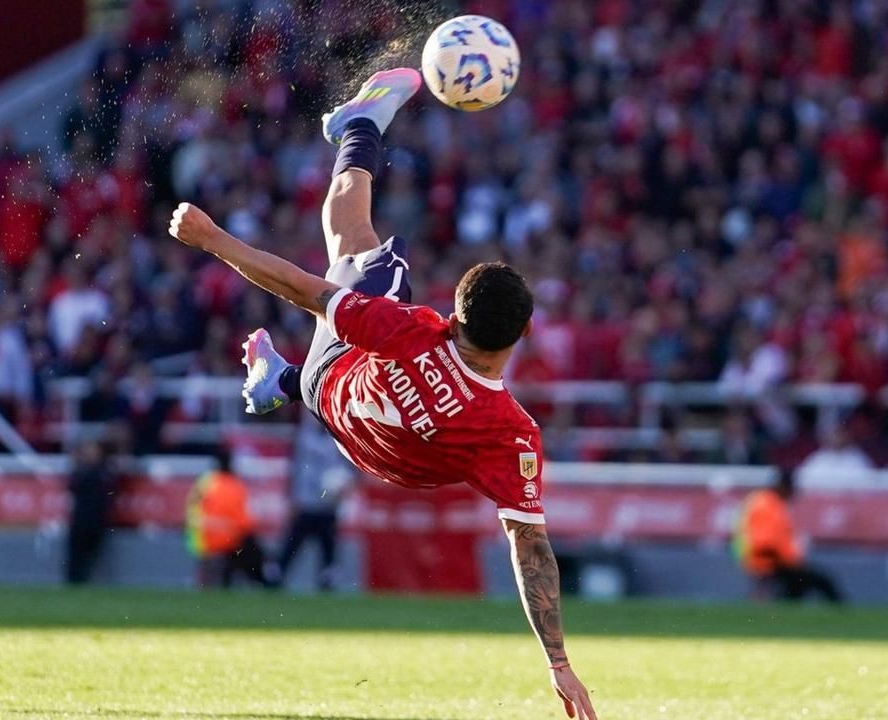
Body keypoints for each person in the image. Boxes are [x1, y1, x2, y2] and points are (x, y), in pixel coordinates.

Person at [167, 68, 596, 719]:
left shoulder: (414, 332)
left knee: (358, 250)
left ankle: (358, 127)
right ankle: (275, 378)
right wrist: (559, 666)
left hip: (330, 384)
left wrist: (211, 238)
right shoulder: (511, 434)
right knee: (354, 255)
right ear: (523, 334)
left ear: (453, 314)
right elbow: (531, 550)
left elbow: (302, 290)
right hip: (362, 446)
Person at [735, 469, 843, 603]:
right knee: (821, 581)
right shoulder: (766, 505)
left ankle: (784, 608)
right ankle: (843, 615)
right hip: (770, 562)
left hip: (773, 561)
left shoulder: (769, 502)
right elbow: (764, 542)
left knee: (800, 585)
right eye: (792, 488)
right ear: (783, 486)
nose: (793, 492)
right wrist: (789, 562)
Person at [277, 414, 354, 591]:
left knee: (328, 549)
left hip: (327, 505)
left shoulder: (338, 439)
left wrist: (344, 485)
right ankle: (277, 576)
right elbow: (294, 470)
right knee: (292, 545)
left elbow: (350, 471)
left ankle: (327, 580)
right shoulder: (303, 437)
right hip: (305, 503)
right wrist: (291, 498)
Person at [186, 448, 274, 588]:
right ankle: (264, 581)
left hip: (201, 542)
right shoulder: (235, 486)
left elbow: (190, 510)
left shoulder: (204, 482)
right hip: (227, 543)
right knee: (249, 548)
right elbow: (245, 523)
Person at [65, 441, 117, 584]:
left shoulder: (104, 471)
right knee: (76, 555)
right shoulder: (83, 472)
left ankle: (84, 581)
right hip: (80, 519)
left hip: (97, 519)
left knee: (92, 554)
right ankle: (74, 581)